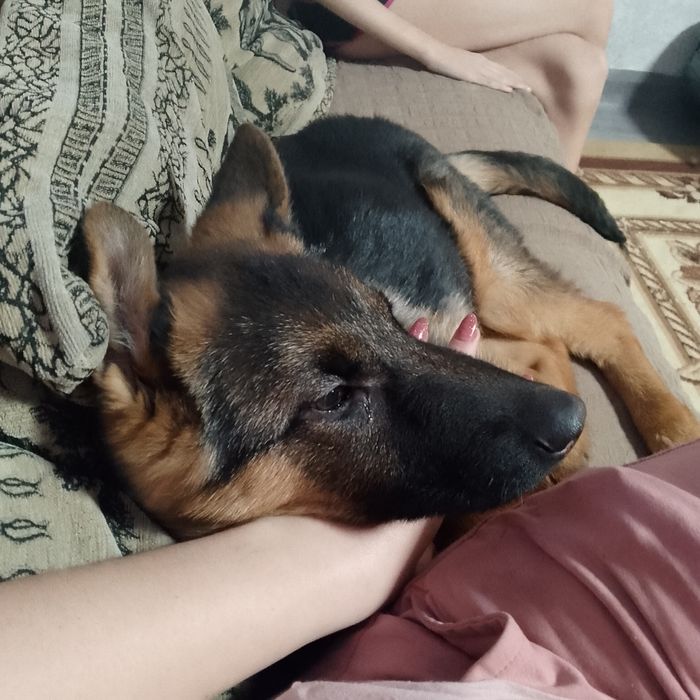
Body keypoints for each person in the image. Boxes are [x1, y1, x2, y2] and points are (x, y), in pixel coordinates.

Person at [285, 0, 613, 170]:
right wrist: (436, 52)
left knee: (580, 69)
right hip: (348, 14)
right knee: (592, 5)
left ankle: (566, 198)